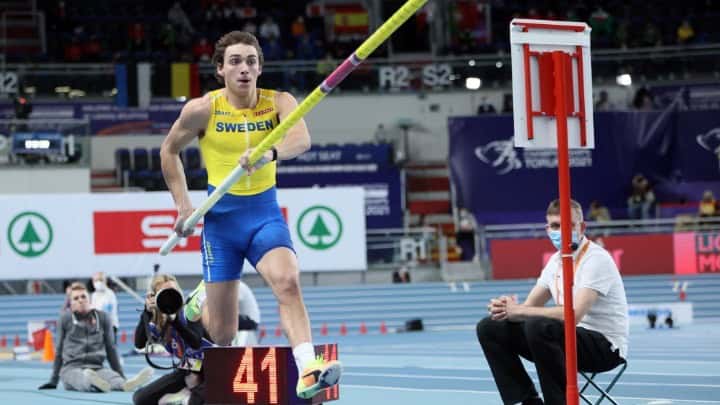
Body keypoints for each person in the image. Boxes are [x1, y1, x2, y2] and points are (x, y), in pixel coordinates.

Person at [160, 30, 342, 399]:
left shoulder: (279, 102)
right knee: (223, 334)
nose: (244, 68)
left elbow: (300, 140)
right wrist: (183, 205)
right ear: (220, 69)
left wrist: (269, 154)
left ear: (260, 68)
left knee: (288, 281)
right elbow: (168, 151)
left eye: (251, 61)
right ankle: (199, 300)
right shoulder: (202, 109)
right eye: (235, 61)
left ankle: (308, 368)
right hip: (221, 224)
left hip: (263, 215)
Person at [476, 199, 628, 405]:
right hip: (563, 340)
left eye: (568, 225)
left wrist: (519, 311)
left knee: (539, 325)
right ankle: (528, 402)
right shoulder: (555, 262)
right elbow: (528, 308)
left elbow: (573, 315)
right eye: (556, 226)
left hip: (603, 347)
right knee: (490, 327)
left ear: (582, 227)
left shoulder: (596, 259)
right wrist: (506, 309)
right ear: (547, 230)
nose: (561, 231)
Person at [39, 282, 153, 393]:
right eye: (76, 298)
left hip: (97, 368)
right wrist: (53, 380)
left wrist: (121, 375)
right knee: (80, 378)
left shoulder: (103, 318)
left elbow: (111, 348)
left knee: (112, 377)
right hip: (71, 368)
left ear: (89, 300)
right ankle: (92, 383)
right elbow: (59, 350)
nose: (80, 300)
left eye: (83, 297)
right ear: (71, 304)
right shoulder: (64, 319)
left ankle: (125, 384)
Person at [133, 274, 213, 405]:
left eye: (174, 291)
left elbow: (195, 342)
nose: (170, 297)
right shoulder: (158, 323)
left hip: (212, 368)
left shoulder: (190, 310)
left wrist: (175, 321)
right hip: (187, 369)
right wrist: (146, 313)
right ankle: (185, 394)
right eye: (165, 293)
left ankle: (186, 395)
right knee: (141, 398)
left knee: (195, 401)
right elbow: (139, 344)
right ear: (155, 298)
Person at [91, 272, 120, 343]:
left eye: (101, 280)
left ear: (105, 281)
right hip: (97, 326)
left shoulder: (110, 294)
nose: (98, 282)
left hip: (110, 326)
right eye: (96, 280)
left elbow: (108, 311)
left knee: (110, 347)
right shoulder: (94, 295)